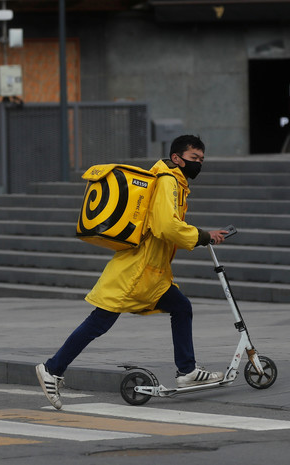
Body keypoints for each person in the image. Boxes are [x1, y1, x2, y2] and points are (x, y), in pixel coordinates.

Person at [36, 134, 229, 409]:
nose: (198, 164)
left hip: (151, 271)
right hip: (138, 270)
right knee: (100, 321)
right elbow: (165, 225)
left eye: (201, 159)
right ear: (177, 158)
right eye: (193, 159)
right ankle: (52, 369)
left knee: (181, 307)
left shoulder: (172, 180)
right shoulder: (168, 181)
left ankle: (187, 372)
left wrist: (199, 235)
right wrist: (202, 235)